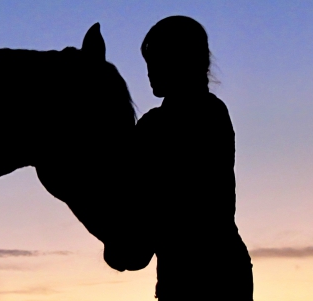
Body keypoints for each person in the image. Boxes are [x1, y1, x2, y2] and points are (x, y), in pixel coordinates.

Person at [135, 16, 253, 300]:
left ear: (180, 61)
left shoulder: (192, 118)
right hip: (201, 271)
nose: (149, 72)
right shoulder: (205, 113)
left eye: (156, 60)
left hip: (203, 274)